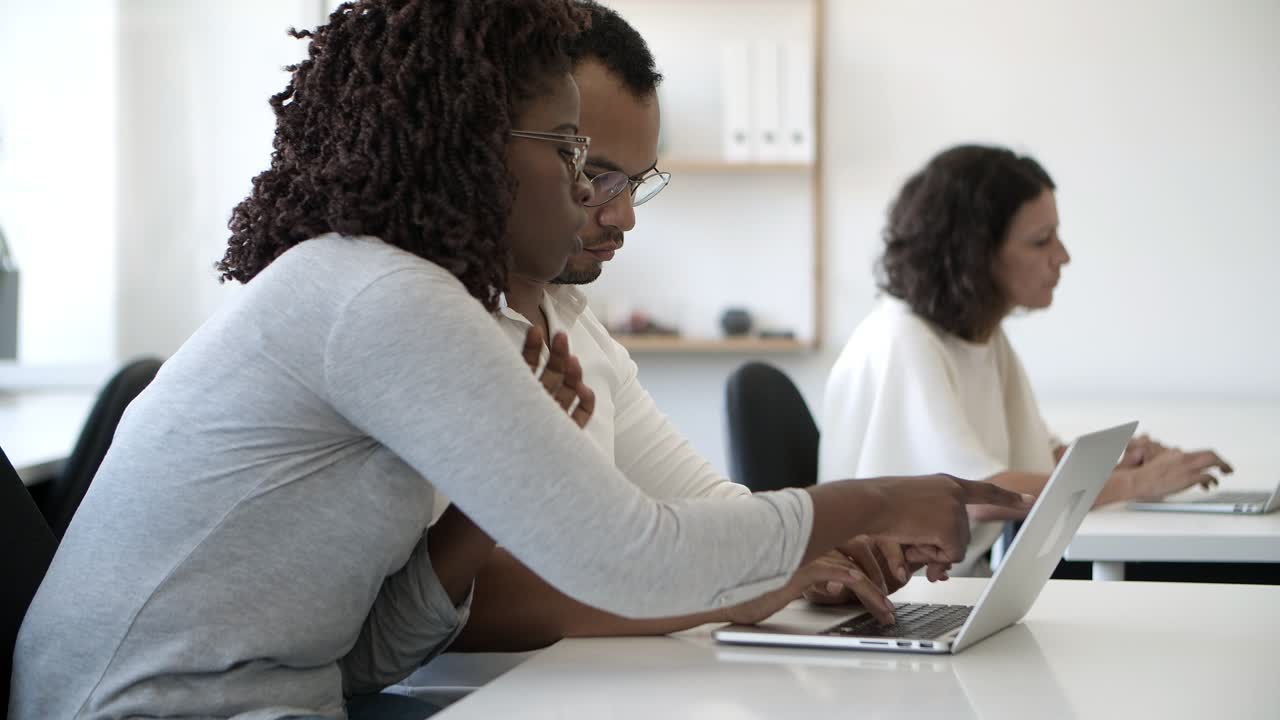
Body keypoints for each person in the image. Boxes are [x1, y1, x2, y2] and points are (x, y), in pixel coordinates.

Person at [10, 4, 1027, 719]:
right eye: (575, 156)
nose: (596, 197)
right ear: (464, 147)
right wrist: (876, 502)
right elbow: (630, 557)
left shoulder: (426, 304)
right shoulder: (377, 293)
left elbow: (357, 652)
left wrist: (470, 516)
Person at [818, 144, 1231, 576]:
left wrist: (1115, 462)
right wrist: (1134, 485)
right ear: (975, 255)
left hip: (948, 587)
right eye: (1040, 241)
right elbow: (975, 496)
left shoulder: (980, 333)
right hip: (894, 604)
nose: (1063, 256)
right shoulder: (903, 339)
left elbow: (1027, 461)